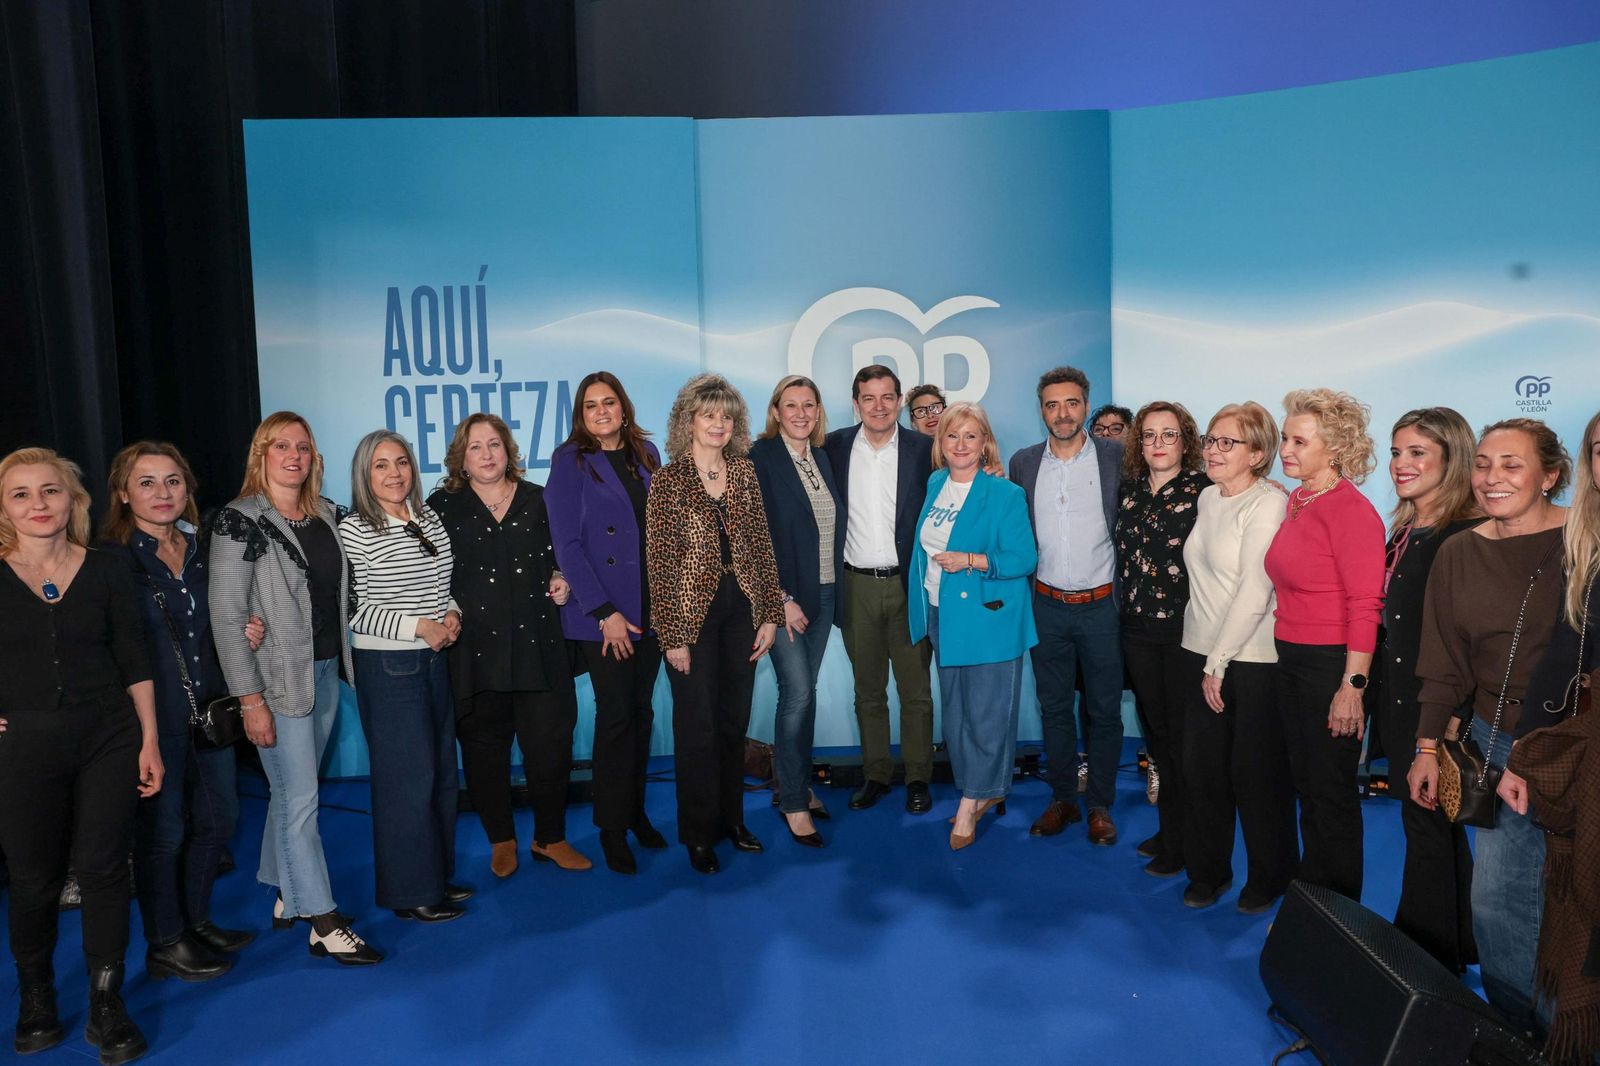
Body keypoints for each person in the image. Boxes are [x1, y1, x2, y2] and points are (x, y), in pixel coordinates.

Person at [0, 448, 163, 1063]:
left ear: (73, 499)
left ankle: (105, 1000)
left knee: (104, 870)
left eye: (50, 490)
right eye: (20, 494)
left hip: (109, 738)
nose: (38, 504)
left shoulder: (108, 568)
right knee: (33, 878)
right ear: (3, 507)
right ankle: (36, 997)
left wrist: (150, 739)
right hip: (23, 747)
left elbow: (134, 658)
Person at [1409, 418, 1569, 1035]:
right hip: (1496, 743)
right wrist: (1427, 746)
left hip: (1576, 745)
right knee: (1499, 902)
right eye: (1482, 464)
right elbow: (1444, 662)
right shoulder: (1458, 551)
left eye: (1510, 464)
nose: (1491, 477)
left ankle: (1569, 1029)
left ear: (1550, 476)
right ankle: (1516, 1033)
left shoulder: (1586, 541)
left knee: (1573, 900)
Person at [210, 412, 382, 965]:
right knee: (302, 798)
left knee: (291, 793)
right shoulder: (240, 519)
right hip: (275, 683)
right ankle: (322, 919)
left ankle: (288, 891)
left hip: (326, 670)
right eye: (281, 445)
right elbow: (227, 616)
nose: (294, 456)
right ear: (261, 454)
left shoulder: (328, 514)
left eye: (303, 447)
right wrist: (250, 700)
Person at [101, 443, 261, 982]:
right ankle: (165, 942)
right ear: (124, 494)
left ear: (188, 488)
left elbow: (221, 616)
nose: (162, 493)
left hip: (210, 711)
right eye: (146, 482)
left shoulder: (204, 548)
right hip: (149, 719)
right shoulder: (112, 560)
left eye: (173, 481)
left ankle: (195, 921)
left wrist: (247, 627)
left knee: (220, 822)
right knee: (164, 833)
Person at [430, 414, 587, 876]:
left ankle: (550, 838)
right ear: (461, 458)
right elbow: (430, 574)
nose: (487, 454)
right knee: (484, 752)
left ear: (508, 451)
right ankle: (502, 840)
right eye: (475, 447)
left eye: (494, 444)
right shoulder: (441, 506)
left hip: (540, 648)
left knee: (550, 748)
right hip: (475, 654)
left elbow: (568, 553)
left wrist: (562, 577)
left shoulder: (541, 499)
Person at [647, 374, 785, 873]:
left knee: (732, 722)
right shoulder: (667, 480)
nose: (718, 424)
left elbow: (762, 547)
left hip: (741, 611)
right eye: (709, 415)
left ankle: (732, 820)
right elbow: (660, 565)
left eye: (726, 416)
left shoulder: (744, 473)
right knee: (697, 727)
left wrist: (770, 614)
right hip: (691, 619)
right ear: (689, 421)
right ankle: (698, 833)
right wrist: (672, 637)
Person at [340, 430, 470, 921]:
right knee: (406, 782)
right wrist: (419, 626)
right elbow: (355, 610)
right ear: (364, 474)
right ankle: (411, 892)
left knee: (440, 774)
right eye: (381, 465)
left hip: (434, 660)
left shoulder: (428, 517)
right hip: (390, 666)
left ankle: (435, 877)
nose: (394, 473)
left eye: (401, 462)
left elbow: (441, 584)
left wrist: (451, 613)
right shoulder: (354, 530)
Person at [1503, 408, 1600, 1065]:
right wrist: (1524, 751)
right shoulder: (1587, 542)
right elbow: (1565, 652)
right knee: (1582, 904)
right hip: (1589, 749)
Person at [1263, 388, 1385, 902]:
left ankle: (1338, 917)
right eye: (1285, 438)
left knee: (1331, 795)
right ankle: (1312, 903)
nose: (1286, 449)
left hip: (1331, 666)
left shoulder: (1352, 511)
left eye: (1299, 441)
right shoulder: (1297, 499)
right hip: (1289, 659)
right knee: (1308, 788)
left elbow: (1365, 605)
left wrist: (1352, 687)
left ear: (1334, 449)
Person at [546, 374, 670, 875]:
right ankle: (611, 828)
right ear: (581, 414)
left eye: (609, 402)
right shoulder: (570, 460)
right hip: (604, 615)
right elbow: (566, 544)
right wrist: (603, 612)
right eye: (591, 405)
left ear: (624, 407)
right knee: (616, 716)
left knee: (642, 714)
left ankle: (634, 811)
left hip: (649, 610)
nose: (601, 411)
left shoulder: (647, 454)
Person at [1372, 409, 1481, 970]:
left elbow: (1470, 640)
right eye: (1396, 452)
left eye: (1417, 453)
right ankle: (1454, 947)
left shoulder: (1463, 536)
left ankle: (1423, 956)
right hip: (1402, 702)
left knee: (1428, 823)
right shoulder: (1404, 531)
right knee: (1433, 824)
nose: (1401, 464)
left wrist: (1449, 723)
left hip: (1437, 710)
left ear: (1451, 458)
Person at [1180, 403, 1298, 912]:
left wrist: (1219, 661)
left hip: (1250, 659)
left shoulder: (1269, 503)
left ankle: (1271, 876)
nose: (1213, 450)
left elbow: (1255, 589)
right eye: (1210, 440)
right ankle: (1208, 872)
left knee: (1256, 776)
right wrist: (1205, 659)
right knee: (1202, 772)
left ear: (1257, 453)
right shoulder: (1208, 497)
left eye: (1227, 442)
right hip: (1198, 651)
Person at [908, 403, 1038, 849]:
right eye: (951, 436)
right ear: (940, 443)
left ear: (985, 443)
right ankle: (982, 789)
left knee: (986, 714)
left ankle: (971, 802)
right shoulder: (936, 484)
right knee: (958, 715)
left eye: (970, 436)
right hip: (942, 615)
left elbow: (1024, 559)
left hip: (989, 618)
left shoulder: (1005, 494)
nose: (960, 445)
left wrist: (971, 560)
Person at [1010, 366, 1125, 845]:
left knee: (1104, 710)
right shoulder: (1023, 463)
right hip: (1047, 606)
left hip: (1102, 606)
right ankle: (1062, 799)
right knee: (1054, 708)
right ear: (1041, 411)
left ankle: (1099, 805)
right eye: (1052, 404)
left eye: (1072, 403)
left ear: (1086, 406)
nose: (1063, 413)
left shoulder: (1118, 457)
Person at [822, 366, 937, 814]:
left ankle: (918, 776)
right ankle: (876, 774)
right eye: (868, 398)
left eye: (887, 397)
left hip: (908, 584)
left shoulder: (924, 450)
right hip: (856, 586)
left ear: (900, 401)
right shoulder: (833, 447)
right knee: (867, 690)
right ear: (856, 404)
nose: (879, 406)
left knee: (916, 692)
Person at [750, 374, 843, 847]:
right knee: (798, 693)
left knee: (803, 695)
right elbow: (753, 536)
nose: (801, 413)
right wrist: (780, 598)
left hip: (824, 593)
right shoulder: (760, 458)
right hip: (784, 600)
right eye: (791, 405)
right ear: (775, 412)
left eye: (809, 404)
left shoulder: (821, 458)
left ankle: (797, 785)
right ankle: (791, 800)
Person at [1114, 402, 1206, 878]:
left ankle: (1190, 842)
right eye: (1149, 435)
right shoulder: (1129, 492)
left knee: (1186, 743)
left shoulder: (1204, 491)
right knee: (1158, 739)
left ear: (1185, 441)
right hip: (1136, 629)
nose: (1158, 444)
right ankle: (1170, 831)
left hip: (1183, 633)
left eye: (1169, 434)